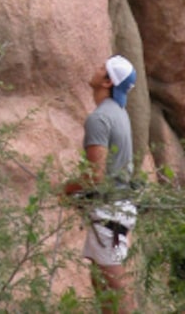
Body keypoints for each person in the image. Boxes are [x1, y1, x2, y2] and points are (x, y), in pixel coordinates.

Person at [63, 55, 139, 313]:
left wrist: (68, 188)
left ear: (107, 81)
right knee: (100, 280)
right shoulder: (120, 113)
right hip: (119, 209)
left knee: (116, 287)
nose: (95, 69)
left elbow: (96, 176)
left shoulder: (99, 119)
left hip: (110, 213)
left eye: (101, 68)